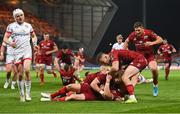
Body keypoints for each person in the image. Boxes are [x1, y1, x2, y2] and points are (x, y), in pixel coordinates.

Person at [3, 8, 38, 102]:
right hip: (17, 53)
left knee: (27, 70)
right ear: (14, 18)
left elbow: (34, 36)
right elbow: (5, 38)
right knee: (20, 74)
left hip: (27, 51)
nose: (20, 17)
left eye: (21, 15)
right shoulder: (11, 26)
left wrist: (34, 45)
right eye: (17, 16)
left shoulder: (28, 26)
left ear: (24, 15)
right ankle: (22, 94)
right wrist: (11, 44)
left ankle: (28, 94)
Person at [123, 21, 163, 97]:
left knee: (154, 69)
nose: (137, 32)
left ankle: (155, 85)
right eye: (135, 30)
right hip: (139, 57)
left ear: (142, 28)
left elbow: (160, 39)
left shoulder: (149, 33)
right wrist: (125, 51)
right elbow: (126, 42)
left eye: (138, 30)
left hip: (149, 56)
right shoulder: (132, 35)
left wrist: (151, 43)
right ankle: (130, 93)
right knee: (135, 75)